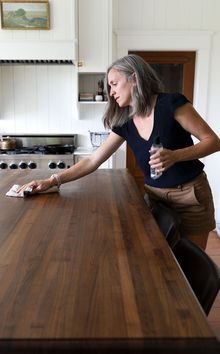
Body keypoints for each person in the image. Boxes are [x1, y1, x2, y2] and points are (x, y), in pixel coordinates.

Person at [18, 54, 220, 250]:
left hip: (190, 196)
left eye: (114, 84)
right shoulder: (125, 122)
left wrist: (175, 156)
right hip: (155, 197)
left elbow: (213, 141)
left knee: (192, 267)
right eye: (109, 87)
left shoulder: (171, 104)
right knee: (161, 262)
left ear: (134, 78)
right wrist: (52, 181)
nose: (111, 92)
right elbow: (93, 160)